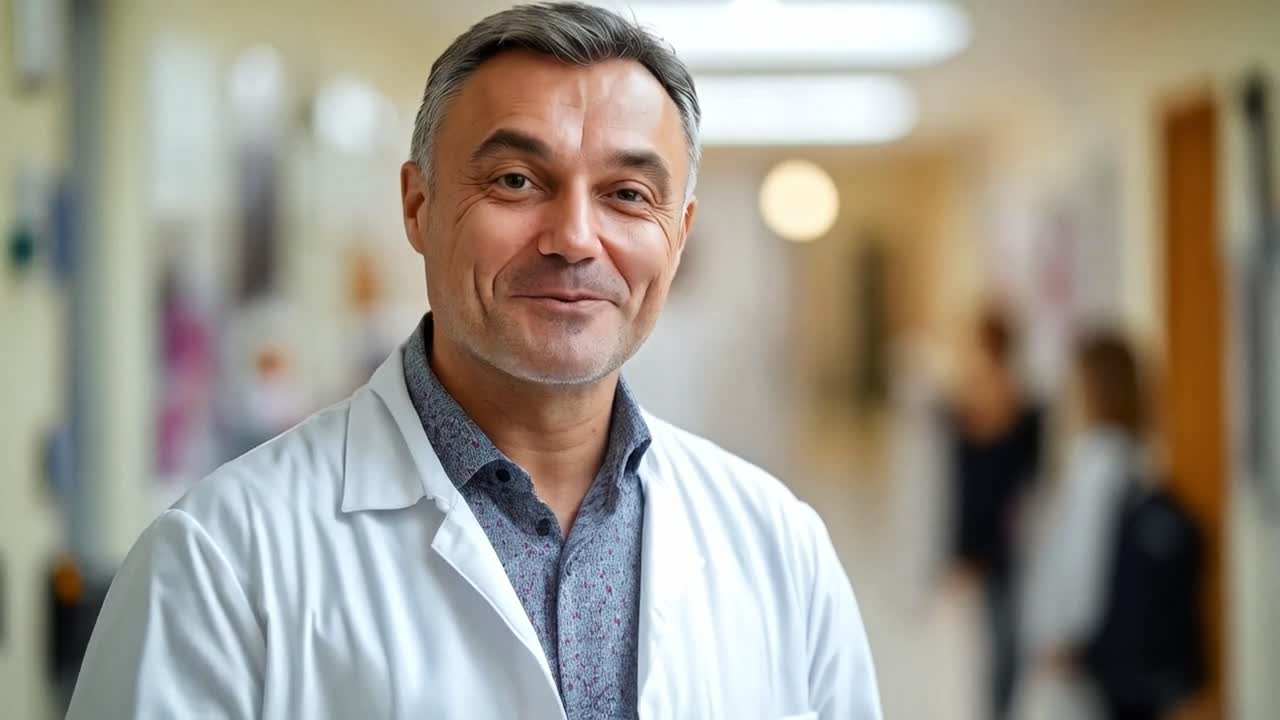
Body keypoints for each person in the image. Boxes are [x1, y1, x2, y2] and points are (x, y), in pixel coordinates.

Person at [65, 4, 882, 719]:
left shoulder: (780, 546)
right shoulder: (221, 561)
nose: (574, 239)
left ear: (680, 231)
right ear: (418, 205)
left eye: (628, 194)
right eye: (518, 180)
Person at [1019, 331, 1202, 720]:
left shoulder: (1093, 464)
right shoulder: (1139, 458)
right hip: (1139, 665)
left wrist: (1059, 639)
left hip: (1094, 664)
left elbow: (1085, 566)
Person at [943, 304, 1044, 720]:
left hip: (1010, 539)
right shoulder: (968, 406)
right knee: (998, 638)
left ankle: (1003, 708)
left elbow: (1010, 483)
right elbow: (963, 488)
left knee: (1006, 638)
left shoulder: (1021, 406)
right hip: (997, 540)